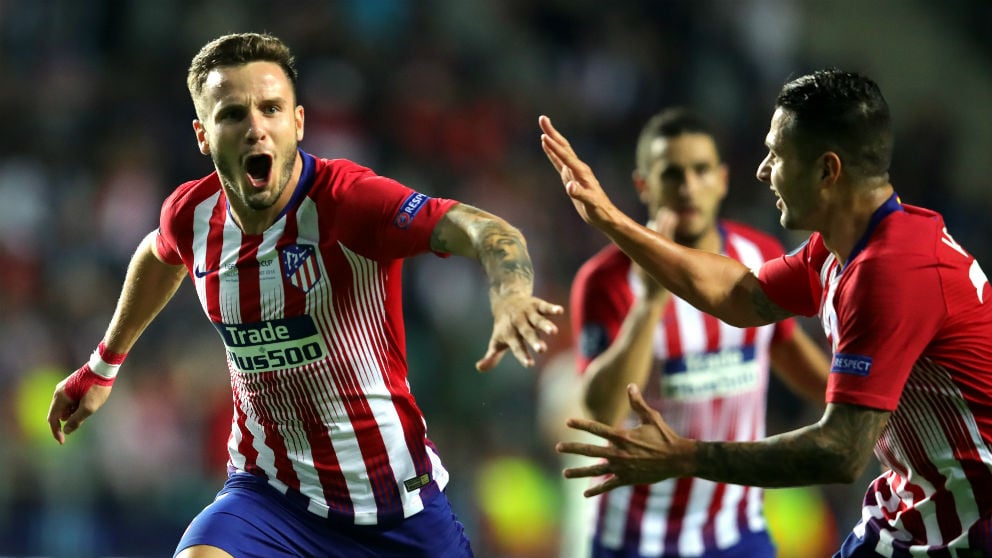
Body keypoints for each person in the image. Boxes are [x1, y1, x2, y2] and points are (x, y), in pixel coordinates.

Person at [45, 32, 563, 558]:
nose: (255, 129)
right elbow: (158, 256)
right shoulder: (191, 215)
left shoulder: (348, 202)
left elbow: (486, 230)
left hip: (394, 511)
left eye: (271, 109)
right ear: (203, 135)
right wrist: (102, 366)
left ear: (297, 122)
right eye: (232, 115)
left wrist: (512, 294)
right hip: (269, 497)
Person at [541, 69, 992, 557]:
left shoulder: (893, 274)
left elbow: (840, 452)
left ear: (827, 171)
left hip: (969, 528)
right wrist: (610, 219)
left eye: (776, 155)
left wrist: (685, 455)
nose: (762, 170)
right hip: (909, 512)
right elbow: (744, 295)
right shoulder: (837, 250)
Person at [570, 107, 830, 558]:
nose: (688, 186)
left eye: (701, 170)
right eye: (672, 173)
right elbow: (603, 410)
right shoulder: (606, 280)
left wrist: (873, 409)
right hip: (635, 537)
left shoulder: (759, 256)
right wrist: (650, 304)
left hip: (737, 530)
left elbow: (785, 348)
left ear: (723, 179)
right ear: (643, 186)